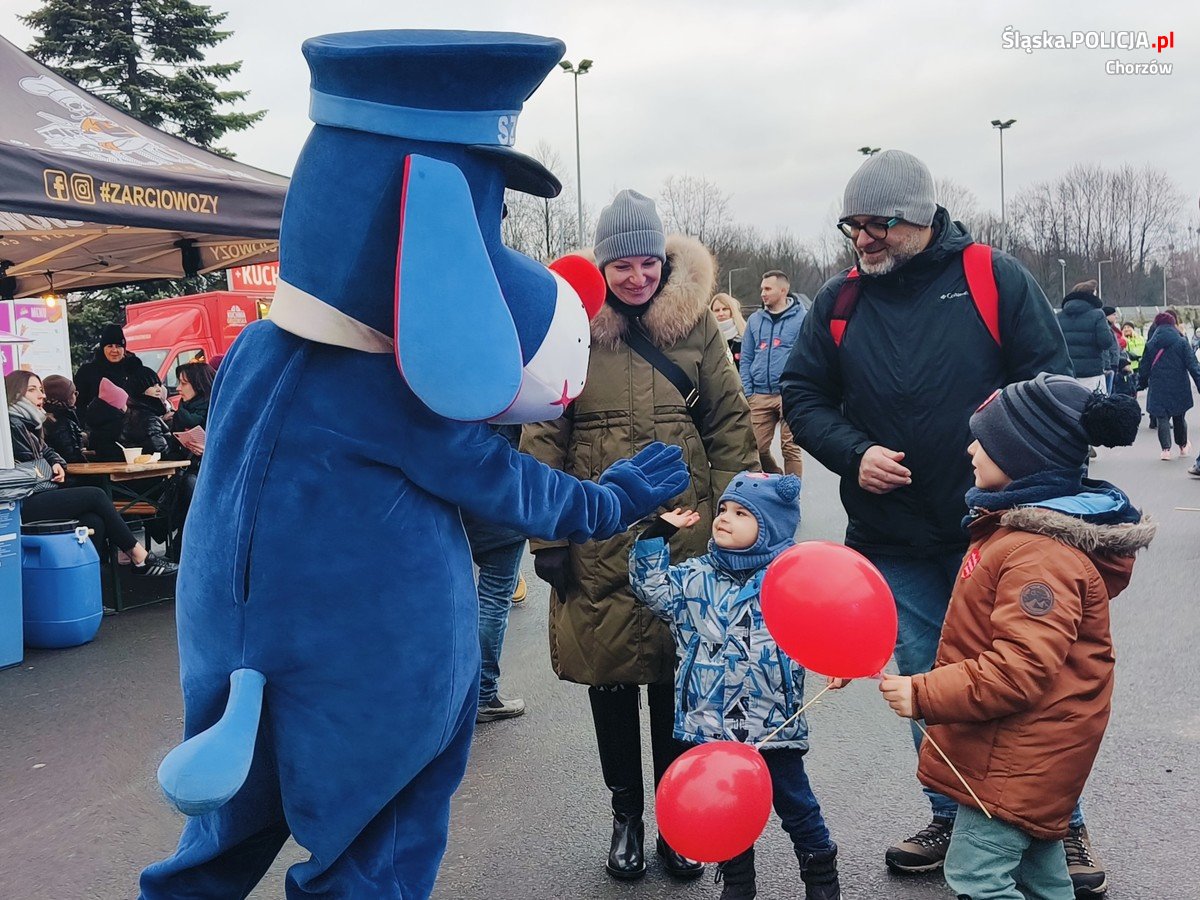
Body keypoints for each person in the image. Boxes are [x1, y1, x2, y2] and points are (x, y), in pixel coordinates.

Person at [779, 149, 1080, 882]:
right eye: (853, 225)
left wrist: (1011, 464)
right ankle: (952, 815)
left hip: (1003, 532)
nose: (863, 238)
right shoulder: (839, 301)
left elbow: (1050, 384)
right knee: (926, 680)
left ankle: (1059, 829)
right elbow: (802, 396)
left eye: (877, 224)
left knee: (1034, 681)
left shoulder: (991, 276)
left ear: (919, 214)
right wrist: (854, 454)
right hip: (895, 537)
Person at [523, 188, 757, 882]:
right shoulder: (570, 327)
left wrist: (742, 525)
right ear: (602, 266)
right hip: (595, 535)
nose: (635, 277)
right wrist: (548, 537)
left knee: (678, 686)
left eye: (645, 263)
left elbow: (729, 428)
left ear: (663, 260)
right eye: (620, 265)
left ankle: (678, 820)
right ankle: (626, 815)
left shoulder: (695, 330)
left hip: (686, 535)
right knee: (612, 685)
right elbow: (542, 432)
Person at [880, 374, 1151, 900]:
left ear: (1025, 455)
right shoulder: (1020, 533)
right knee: (1042, 877)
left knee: (978, 876)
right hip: (1025, 756)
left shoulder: (1038, 554)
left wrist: (923, 692)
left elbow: (1017, 670)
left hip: (1018, 760)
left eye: (986, 439)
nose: (970, 448)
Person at [629, 473, 840, 900]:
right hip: (710, 727)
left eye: (742, 514)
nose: (724, 519)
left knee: (798, 808)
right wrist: (657, 534)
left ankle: (821, 879)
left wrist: (836, 661)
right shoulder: (693, 578)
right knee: (728, 811)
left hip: (774, 727)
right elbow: (648, 585)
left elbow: (826, 625)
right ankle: (738, 885)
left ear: (771, 529)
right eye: (723, 509)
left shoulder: (790, 584)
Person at [5, 370, 178, 577]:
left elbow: (48, 452)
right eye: (32, 390)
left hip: (37, 495)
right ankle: (140, 557)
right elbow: (32, 464)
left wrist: (56, 462)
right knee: (95, 494)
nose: (41, 395)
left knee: (93, 520)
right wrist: (50, 464)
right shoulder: (13, 424)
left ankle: (88, 589)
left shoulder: (28, 422)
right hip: (21, 502)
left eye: (41, 389)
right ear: (15, 393)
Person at [462, 423, 529, 724]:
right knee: (493, 600)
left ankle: (455, 696)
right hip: (502, 503)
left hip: (460, 499)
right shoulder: (515, 395)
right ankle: (484, 694)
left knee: (462, 598)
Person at [740, 270, 806, 477]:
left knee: (790, 447)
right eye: (762, 289)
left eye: (768, 288)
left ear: (783, 290)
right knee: (754, 449)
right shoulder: (754, 320)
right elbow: (746, 357)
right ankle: (777, 477)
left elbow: (808, 356)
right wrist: (749, 391)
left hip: (789, 393)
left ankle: (791, 496)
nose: (763, 293)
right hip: (759, 394)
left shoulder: (802, 319)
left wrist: (799, 388)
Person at [1138, 311, 1200, 461]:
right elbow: (1193, 365)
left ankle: (1165, 450)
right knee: (1179, 416)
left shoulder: (1151, 344)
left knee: (1162, 417)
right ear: (1173, 324)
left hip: (1158, 385)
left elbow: (1144, 367)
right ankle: (1182, 446)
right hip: (1179, 384)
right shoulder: (1182, 342)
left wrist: (1142, 383)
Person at [72, 323, 159, 412]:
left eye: (118, 346)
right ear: (103, 348)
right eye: (110, 346)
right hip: (99, 424)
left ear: (124, 349)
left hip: (133, 422)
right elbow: (79, 404)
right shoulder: (88, 372)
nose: (114, 350)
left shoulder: (134, 369)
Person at [1059, 282, 1118, 394]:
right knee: (1094, 407)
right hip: (1092, 373)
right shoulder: (1098, 314)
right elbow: (1106, 342)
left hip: (1067, 373)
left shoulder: (1059, 316)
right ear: (1091, 295)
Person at [40, 374, 88, 463]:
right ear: (66, 397)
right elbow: (71, 455)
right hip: (69, 472)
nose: (76, 396)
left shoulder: (46, 418)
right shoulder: (64, 422)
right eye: (74, 393)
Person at [83, 377, 131, 462]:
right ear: (118, 407)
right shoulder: (119, 425)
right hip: (119, 465)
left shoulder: (97, 422)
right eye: (125, 403)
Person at [710, 292, 747, 366]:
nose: (721, 313)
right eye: (717, 310)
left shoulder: (745, 335)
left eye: (725, 309)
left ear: (731, 310)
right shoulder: (708, 337)